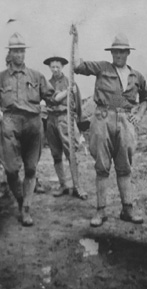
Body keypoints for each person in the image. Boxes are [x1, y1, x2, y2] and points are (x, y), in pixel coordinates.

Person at [73, 28, 147, 227]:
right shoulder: (102, 68)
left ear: (128, 53)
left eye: (122, 51)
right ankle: (101, 211)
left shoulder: (136, 77)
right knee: (102, 167)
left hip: (126, 122)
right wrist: (75, 39)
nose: (118, 55)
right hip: (102, 119)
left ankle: (127, 209)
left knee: (124, 167)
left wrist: (140, 113)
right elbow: (77, 66)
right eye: (115, 51)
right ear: (111, 53)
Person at [0, 33, 55, 226]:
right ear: (10, 53)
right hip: (10, 124)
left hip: (33, 124)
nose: (20, 54)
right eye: (16, 51)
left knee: (31, 168)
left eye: (22, 50)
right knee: (12, 169)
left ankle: (27, 209)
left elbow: (52, 98)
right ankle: (22, 200)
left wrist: (68, 92)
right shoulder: (0, 78)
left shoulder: (36, 76)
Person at [43, 56, 87, 200]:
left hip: (65, 118)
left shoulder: (70, 82)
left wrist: (80, 123)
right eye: (52, 67)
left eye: (58, 67)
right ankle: (63, 184)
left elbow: (78, 103)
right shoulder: (47, 84)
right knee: (56, 154)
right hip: (51, 120)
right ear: (49, 67)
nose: (55, 69)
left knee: (71, 153)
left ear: (62, 67)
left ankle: (77, 186)